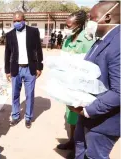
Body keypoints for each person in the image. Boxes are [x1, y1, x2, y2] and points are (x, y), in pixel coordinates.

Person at [67, 1, 120, 159]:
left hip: (103, 122)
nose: (88, 22)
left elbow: (119, 91)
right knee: (80, 151)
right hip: (87, 116)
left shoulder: (118, 44)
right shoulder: (101, 40)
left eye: (92, 18)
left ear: (108, 17)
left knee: (95, 155)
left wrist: (88, 111)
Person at [56, 10, 95, 159]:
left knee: (81, 116)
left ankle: (81, 146)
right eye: (67, 25)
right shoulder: (68, 39)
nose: (68, 27)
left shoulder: (87, 40)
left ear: (79, 25)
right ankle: (72, 141)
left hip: (82, 85)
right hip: (68, 83)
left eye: (70, 25)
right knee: (70, 115)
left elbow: (91, 65)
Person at [4, 11, 43, 128]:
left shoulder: (33, 32)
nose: (16, 23)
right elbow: (7, 53)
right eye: (14, 21)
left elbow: (38, 49)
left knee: (30, 95)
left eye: (18, 20)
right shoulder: (10, 34)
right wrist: (7, 70)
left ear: (24, 20)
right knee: (15, 94)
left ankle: (28, 118)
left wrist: (39, 66)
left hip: (30, 69)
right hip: (16, 69)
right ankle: (15, 116)